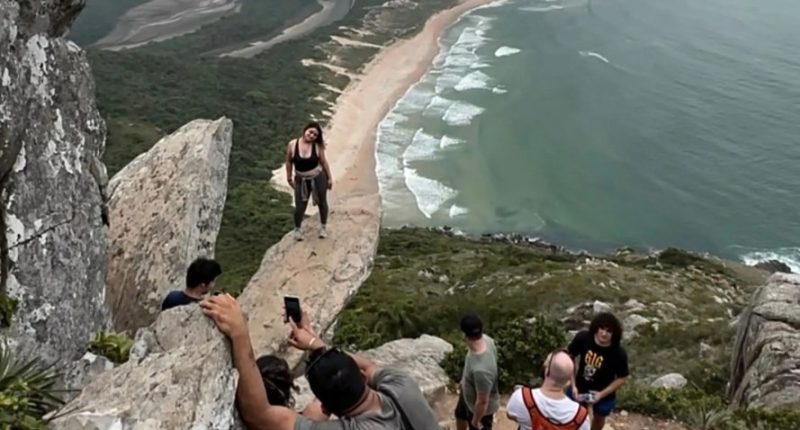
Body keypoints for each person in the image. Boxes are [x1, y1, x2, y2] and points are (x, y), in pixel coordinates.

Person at [200, 293, 442, 430]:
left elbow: (260, 414)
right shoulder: (402, 385)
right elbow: (368, 366)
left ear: (326, 408)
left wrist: (239, 334)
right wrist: (315, 342)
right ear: (360, 377)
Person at [566, 313, 629, 430]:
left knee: (599, 418)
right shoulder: (583, 338)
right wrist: (573, 385)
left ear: (614, 333)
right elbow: (569, 357)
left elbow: (622, 378)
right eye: (602, 328)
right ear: (596, 327)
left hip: (604, 394)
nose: (604, 333)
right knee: (570, 415)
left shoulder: (618, 353)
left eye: (609, 331)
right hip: (579, 388)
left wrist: (601, 394)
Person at [506, 349, 589, 430]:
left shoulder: (522, 398)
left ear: (546, 371)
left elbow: (510, 415)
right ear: (568, 382)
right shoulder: (580, 417)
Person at [285, 121, 333, 241]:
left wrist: (329, 178)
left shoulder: (317, 146)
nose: (312, 135)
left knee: (322, 202)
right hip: (301, 180)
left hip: (318, 177)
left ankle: (323, 227)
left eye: (315, 135)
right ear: (305, 130)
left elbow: (323, 162)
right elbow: (289, 161)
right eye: (310, 132)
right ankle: (297, 229)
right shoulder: (292, 144)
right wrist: (289, 177)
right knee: (300, 206)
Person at [455, 314, 500, 430]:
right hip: (468, 394)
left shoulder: (481, 370)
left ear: (463, 335)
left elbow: (482, 401)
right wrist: (465, 381)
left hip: (480, 410)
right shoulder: (487, 340)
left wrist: (475, 421)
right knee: (460, 415)